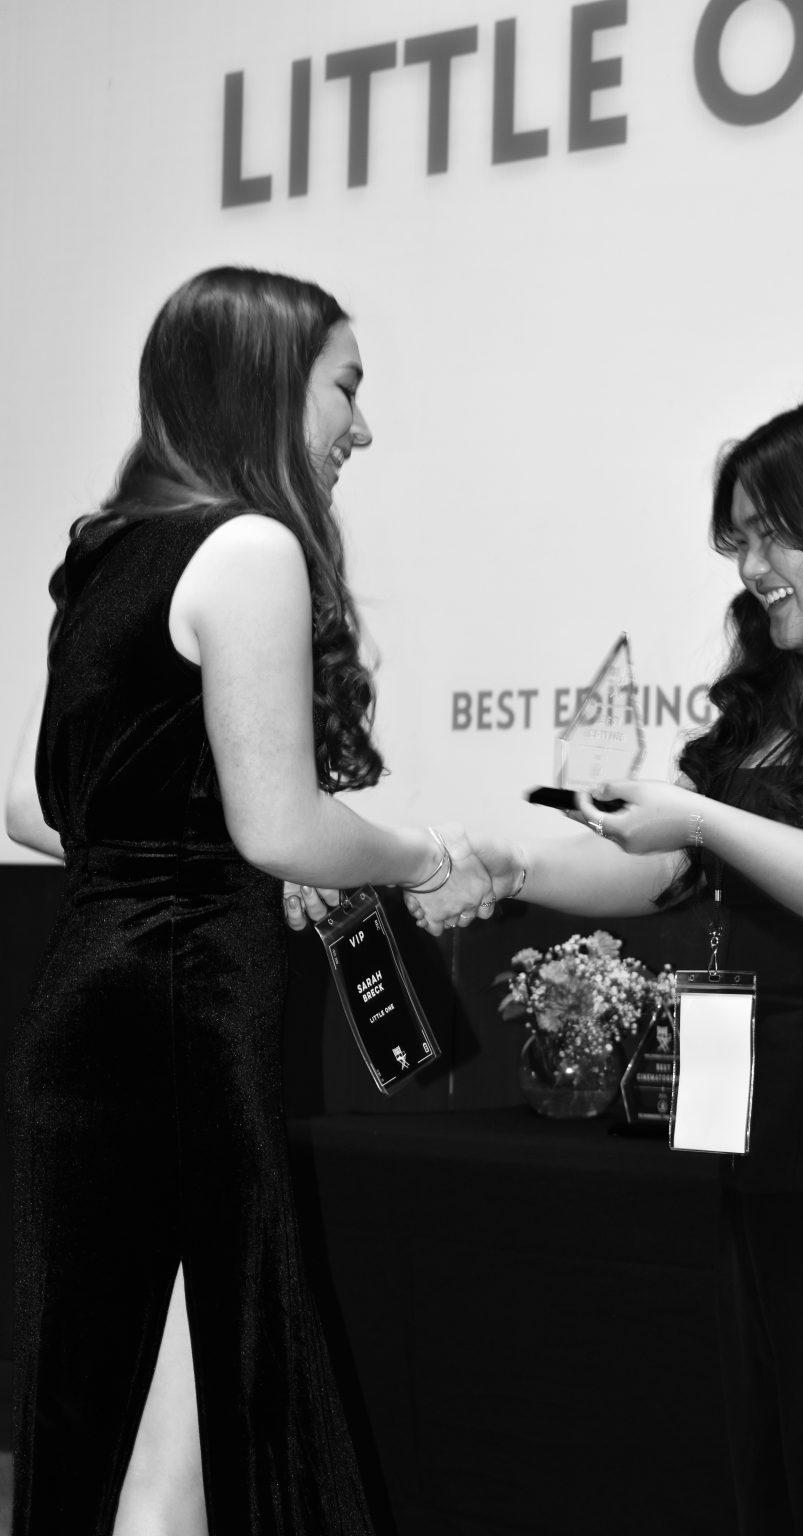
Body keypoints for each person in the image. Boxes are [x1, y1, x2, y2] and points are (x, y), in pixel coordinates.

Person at [412, 392, 803, 1534]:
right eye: (737, 539)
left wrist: (702, 823)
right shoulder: (786, 690)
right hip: (779, 1115)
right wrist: (501, 865)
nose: (750, 567)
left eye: (771, 534)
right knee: (788, 1446)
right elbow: (666, 871)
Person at [3, 266, 506, 1535]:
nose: (362, 426)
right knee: (199, 1396)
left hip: (85, 1008)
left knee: (132, 1412)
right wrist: (413, 853)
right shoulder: (250, 547)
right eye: (346, 385)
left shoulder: (101, 549)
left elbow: (31, 807)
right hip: (187, 1020)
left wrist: (192, 858)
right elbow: (280, 822)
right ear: (272, 386)